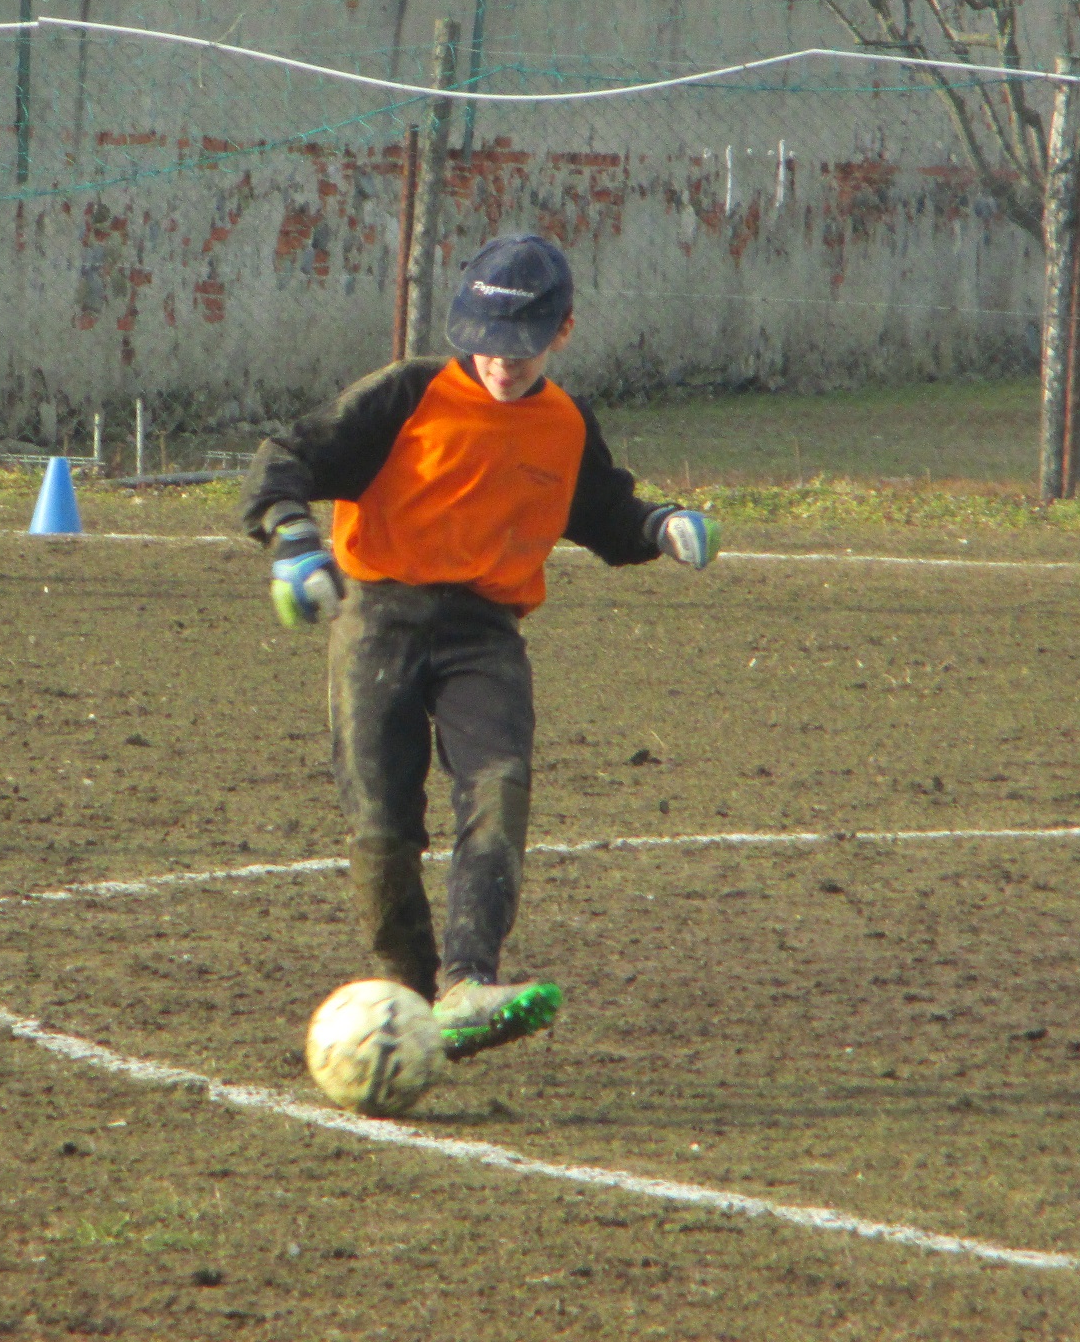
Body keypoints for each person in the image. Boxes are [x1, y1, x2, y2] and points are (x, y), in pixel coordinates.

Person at [242, 234, 721, 1061]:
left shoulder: (564, 424)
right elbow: (289, 458)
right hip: (377, 618)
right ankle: (410, 993)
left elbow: (601, 509)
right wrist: (291, 538)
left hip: (485, 632)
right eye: (488, 341)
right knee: (381, 824)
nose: (502, 360)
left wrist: (657, 524)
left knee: (499, 793)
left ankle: (468, 982)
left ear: (564, 331)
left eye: (524, 343)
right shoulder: (410, 394)